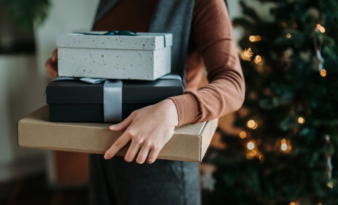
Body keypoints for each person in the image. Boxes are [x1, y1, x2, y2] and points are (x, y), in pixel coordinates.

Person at [46, 0, 245, 204]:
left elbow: (233, 84)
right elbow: (116, 61)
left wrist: (173, 110)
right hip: (103, 151)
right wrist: (78, 60)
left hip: (160, 157)